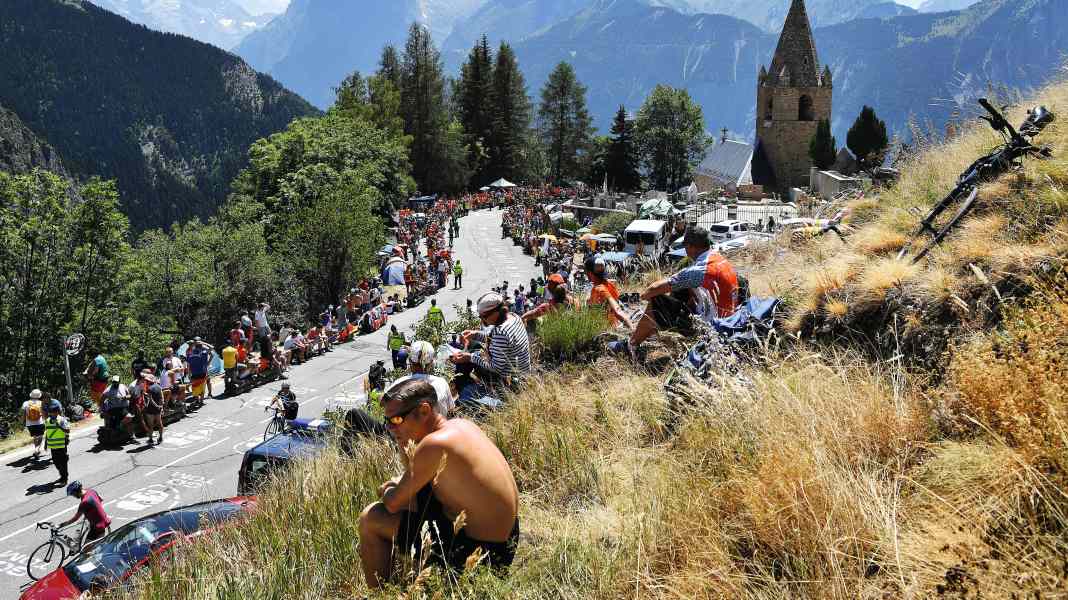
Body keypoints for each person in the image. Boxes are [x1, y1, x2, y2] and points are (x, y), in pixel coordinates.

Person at [358, 379, 520, 588]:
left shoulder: (434, 444)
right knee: (419, 498)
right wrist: (403, 442)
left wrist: (388, 488)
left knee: (371, 518)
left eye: (397, 419)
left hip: (481, 554)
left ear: (424, 411)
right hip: (506, 540)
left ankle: (378, 594)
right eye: (386, 421)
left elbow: (392, 503)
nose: (389, 428)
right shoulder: (462, 425)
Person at [610, 226, 738, 357]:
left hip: (711, 330)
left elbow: (653, 289)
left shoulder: (700, 269)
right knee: (681, 291)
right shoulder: (719, 259)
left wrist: (644, 296)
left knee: (657, 301)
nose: (685, 250)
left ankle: (631, 346)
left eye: (686, 246)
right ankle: (650, 330)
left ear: (691, 246)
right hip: (728, 322)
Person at [450, 292, 531, 401]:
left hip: (510, 380)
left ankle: (465, 391)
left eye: (483, 316)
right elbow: (495, 340)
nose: (482, 320)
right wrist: (475, 334)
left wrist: (470, 357)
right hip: (522, 372)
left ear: (496, 313)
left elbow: (496, 367)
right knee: (474, 346)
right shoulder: (513, 317)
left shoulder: (501, 332)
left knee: (465, 361)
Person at [386, 341, 454, 416]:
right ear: (431, 363)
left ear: (410, 361)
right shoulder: (442, 383)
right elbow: (450, 410)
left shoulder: (399, 383)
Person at [584, 255, 634, 329]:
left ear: (589, 273)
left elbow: (617, 311)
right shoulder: (609, 284)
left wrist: (632, 329)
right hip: (610, 325)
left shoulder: (600, 289)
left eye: (586, 272)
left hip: (604, 328)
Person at [44, 400, 71, 485]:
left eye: (53, 412)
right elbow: (47, 432)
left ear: (57, 412)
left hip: (61, 445)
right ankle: (62, 476)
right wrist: (45, 443)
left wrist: (59, 427)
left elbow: (68, 430)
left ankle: (64, 479)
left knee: (63, 463)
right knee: (56, 463)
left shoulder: (62, 420)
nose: (51, 414)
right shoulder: (47, 421)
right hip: (53, 446)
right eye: (50, 412)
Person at [22, 389, 46, 460]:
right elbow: (44, 413)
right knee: (40, 437)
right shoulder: (41, 403)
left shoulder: (26, 403)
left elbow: (24, 414)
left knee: (35, 437)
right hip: (40, 423)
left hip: (30, 424)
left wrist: (23, 422)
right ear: (39, 396)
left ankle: (36, 450)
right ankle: (36, 450)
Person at [142, 373, 164, 445]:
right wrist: (160, 406)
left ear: (148, 381)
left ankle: (150, 439)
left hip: (151, 409)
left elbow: (150, 400)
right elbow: (161, 398)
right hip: (158, 409)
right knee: (159, 423)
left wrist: (156, 406)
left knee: (150, 425)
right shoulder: (159, 387)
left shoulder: (149, 389)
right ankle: (160, 437)